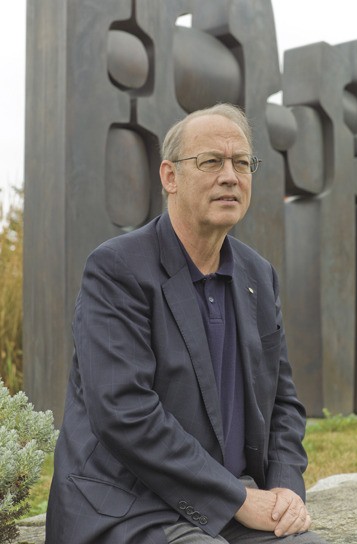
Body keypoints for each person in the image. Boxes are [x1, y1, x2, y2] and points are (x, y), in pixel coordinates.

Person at [45, 103, 328, 544]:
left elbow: (283, 406)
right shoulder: (117, 269)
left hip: (226, 507)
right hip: (130, 509)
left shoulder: (258, 276)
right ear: (170, 177)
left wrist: (287, 488)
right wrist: (237, 498)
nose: (230, 176)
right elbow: (125, 412)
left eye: (241, 163)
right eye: (211, 161)